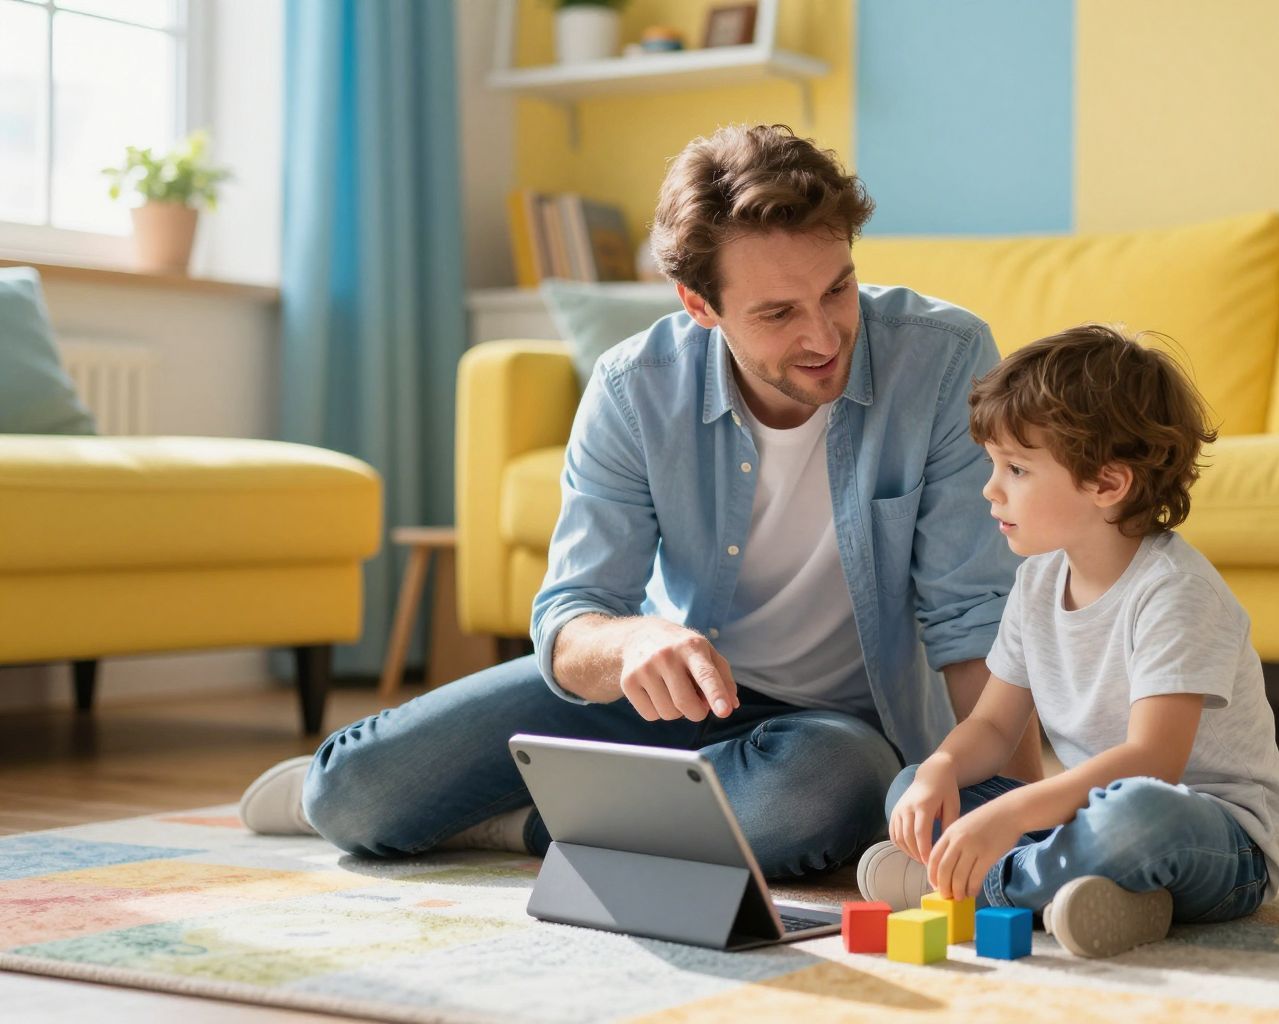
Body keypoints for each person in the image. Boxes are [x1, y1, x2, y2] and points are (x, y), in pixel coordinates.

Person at [238, 124, 1040, 878]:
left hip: (833, 735)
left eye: (838, 290)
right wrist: (632, 646)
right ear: (700, 307)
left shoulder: (942, 359)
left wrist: (1018, 818)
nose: (826, 337)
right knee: (351, 795)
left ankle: (521, 826)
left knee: (829, 789)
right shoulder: (632, 387)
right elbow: (572, 613)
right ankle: (641, 814)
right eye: (777, 314)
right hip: (663, 707)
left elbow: (974, 625)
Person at [855, 324, 1279, 957]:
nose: (991, 488)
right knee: (913, 790)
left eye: (1016, 469)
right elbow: (991, 727)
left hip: (1211, 837)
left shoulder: (1175, 593)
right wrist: (941, 770)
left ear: (1106, 484)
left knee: (1136, 816)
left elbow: (1153, 764)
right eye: (993, 465)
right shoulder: (1037, 583)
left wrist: (1007, 819)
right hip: (1085, 820)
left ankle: (977, 885)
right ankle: (1092, 896)